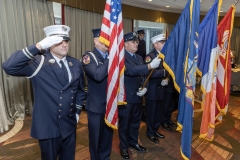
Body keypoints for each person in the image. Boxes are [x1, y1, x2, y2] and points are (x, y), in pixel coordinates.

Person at [2, 25, 86, 160]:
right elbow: (8, 67)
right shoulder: (38, 62)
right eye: (59, 41)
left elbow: (81, 90)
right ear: (50, 43)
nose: (64, 45)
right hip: (48, 125)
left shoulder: (75, 63)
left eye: (66, 41)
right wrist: (38, 46)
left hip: (69, 123)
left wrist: (76, 112)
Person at [118, 31, 161, 159]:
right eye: (133, 42)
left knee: (135, 123)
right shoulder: (121, 58)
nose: (136, 44)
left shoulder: (138, 57)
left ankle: (133, 142)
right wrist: (149, 66)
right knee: (125, 124)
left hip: (138, 95)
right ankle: (123, 147)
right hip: (126, 97)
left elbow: (144, 76)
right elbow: (130, 71)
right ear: (125, 44)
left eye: (137, 41)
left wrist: (145, 88)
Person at [82, 28, 113, 160]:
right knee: (96, 138)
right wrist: (109, 60)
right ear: (96, 41)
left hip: (110, 104)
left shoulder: (111, 56)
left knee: (107, 136)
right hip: (96, 105)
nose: (107, 42)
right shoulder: (89, 57)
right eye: (103, 39)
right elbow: (97, 75)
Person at [144, 34, 167, 143]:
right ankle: (150, 132)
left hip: (161, 89)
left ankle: (155, 130)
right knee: (151, 113)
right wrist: (164, 73)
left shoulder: (164, 55)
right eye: (162, 43)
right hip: (152, 90)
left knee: (158, 112)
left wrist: (166, 78)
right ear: (155, 44)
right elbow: (149, 73)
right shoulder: (150, 56)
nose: (164, 44)